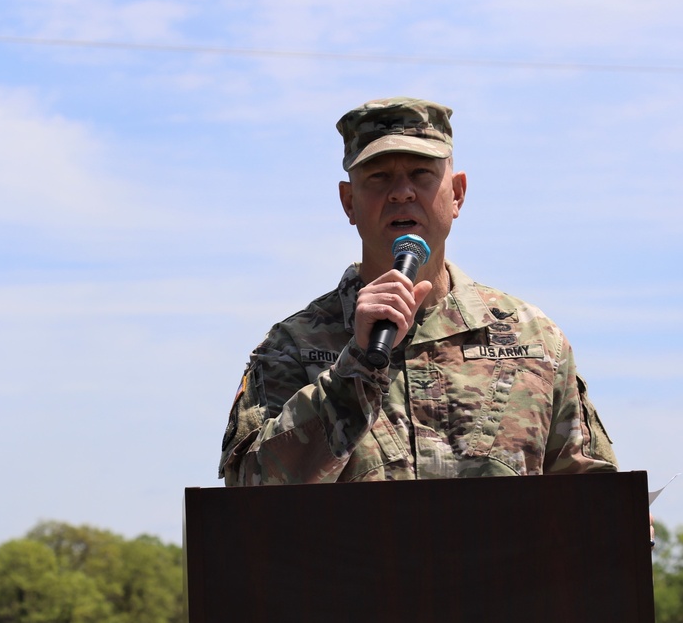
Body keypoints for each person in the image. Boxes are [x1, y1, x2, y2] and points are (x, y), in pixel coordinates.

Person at [218, 96, 619, 487]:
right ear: (348, 202)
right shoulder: (292, 345)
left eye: (421, 174)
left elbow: (592, 491)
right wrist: (354, 366)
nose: (401, 193)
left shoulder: (532, 339)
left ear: (457, 193)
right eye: (379, 177)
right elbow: (248, 494)